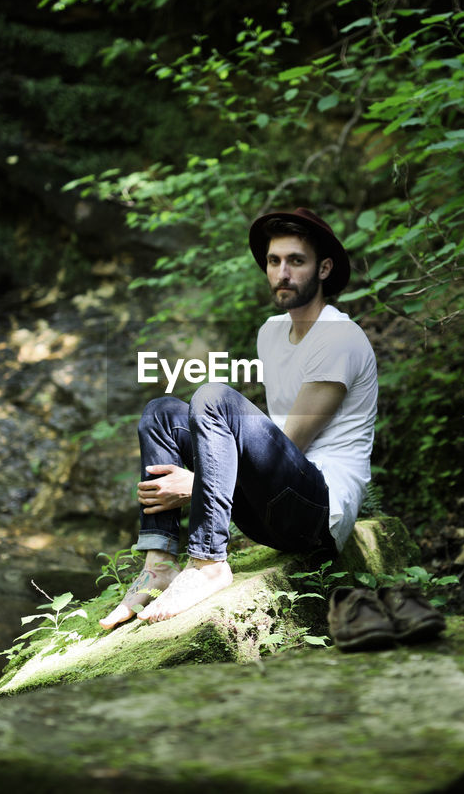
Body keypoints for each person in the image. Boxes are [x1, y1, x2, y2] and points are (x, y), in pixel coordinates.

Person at [100, 207, 378, 628]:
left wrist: (199, 483)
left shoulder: (339, 337)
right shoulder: (271, 333)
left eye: (296, 261)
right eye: (273, 261)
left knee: (213, 397)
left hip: (318, 514)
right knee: (162, 413)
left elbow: (291, 447)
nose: (282, 272)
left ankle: (209, 562)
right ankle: (159, 565)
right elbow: (265, 454)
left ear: (323, 269)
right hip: (273, 508)